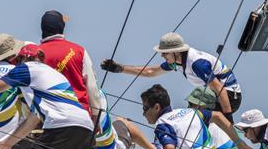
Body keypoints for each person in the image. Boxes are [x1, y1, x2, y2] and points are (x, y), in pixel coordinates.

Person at [102, 32, 242, 119]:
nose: (162, 56)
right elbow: (150, 72)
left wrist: (228, 119)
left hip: (229, 97)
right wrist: (119, 68)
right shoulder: (178, 62)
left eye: (165, 53)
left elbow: (220, 89)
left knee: (191, 121)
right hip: (217, 96)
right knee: (189, 119)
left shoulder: (197, 64)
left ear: (176, 52)